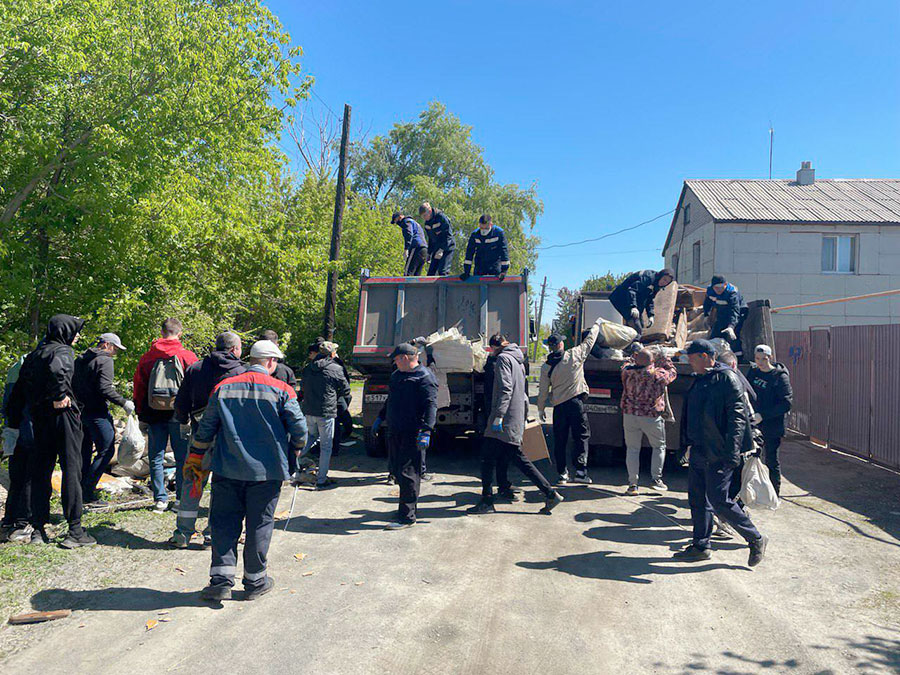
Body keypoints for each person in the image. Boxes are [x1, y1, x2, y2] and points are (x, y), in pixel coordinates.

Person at [188, 339, 307, 602]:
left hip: (227, 468)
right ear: (271, 362)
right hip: (267, 472)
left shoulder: (223, 387)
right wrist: (297, 448)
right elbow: (299, 429)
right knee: (259, 524)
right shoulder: (282, 389)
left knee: (224, 523)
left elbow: (206, 427)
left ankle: (220, 581)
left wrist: (195, 456)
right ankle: (255, 581)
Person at [674, 339, 768, 567]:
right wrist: (685, 445)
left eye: (692, 358)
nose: (689, 362)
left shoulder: (727, 378)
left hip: (719, 452)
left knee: (719, 500)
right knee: (697, 499)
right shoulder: (701, 379)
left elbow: (737, 418)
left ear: (705, 356)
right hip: (699, 449)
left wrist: (733, 451)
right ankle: (701, 545)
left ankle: (755, 538)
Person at [7, 315, 94, 548]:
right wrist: (59, 396)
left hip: (40, 418)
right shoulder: (63, 351)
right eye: (75, 331)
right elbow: (59, 371)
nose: (77, 336)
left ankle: (38, 528)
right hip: (64, 418)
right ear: (65, 331)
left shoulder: (34, 355)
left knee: (41, 472)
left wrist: (13, 420)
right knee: (72, 469)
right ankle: (75, 530)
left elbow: (19, 391)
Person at [469, 334, 563, 515]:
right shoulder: (518, 360)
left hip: (504, 418)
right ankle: (549, 494)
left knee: (488, 458)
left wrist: (498, 416)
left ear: (494, 348)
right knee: (515, 458)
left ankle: (487, 501)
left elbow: (505, 389)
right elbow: (524, 392)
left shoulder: (503, 359)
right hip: (515, 416)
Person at [169, 331, 245, 549]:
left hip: (200, 434)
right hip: (228, 438)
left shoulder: (195, 368)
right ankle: (212, 534)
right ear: (234, 350)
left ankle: (182, 534)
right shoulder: (240, 372)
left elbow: (181, 402)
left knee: (193, 481)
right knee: (222, 486)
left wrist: (184, 421)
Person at [133, 318, 198, 512]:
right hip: (179, 414)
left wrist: (141, 413)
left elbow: (139, 388)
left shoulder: (148, 357)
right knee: (181, 457)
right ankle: (179, 499)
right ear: (179, 333)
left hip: (154, 414)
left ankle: (160, 499)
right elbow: (194, 386)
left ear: (161, 333)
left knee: (156, 456)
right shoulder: (188, 356)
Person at [372, 343, 438, 530]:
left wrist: (426, 430)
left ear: (406, 358)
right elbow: (390, 399)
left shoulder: (424, 377)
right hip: (395, 429)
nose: (394, 362)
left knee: (409, 473)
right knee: (396, 469)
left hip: (413, 432)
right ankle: (406, 508)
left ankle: (407, 517)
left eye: (396, 358)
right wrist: (380, 417)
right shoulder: (397, 375)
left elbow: (431, 405)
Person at [537, 318, 604, 484]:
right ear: (561, 345)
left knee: (560, 439)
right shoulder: (575, 355)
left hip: (559, 406)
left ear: (550, 347)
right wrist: (597, 325)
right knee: (581, 436)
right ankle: (580, 472)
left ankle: (562, 473)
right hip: (576, 404)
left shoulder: (546, 367)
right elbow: (589, 341)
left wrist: (540, 409)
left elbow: (543, 391)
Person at [73, 333, 134, 505]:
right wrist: (124, 402)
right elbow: (105, 388)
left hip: (79, 411)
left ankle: (79, 492)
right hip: (97, 412)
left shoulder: (80, 359)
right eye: (114, 348)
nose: (115, 352)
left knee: (84, 452)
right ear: (106, 344)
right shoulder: (105, 360)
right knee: (107, 450)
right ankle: (88, 490)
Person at [620, 348, 677, 495]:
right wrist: (665, 358)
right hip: (651, 417)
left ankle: (633, 485)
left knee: (632, 449)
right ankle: (656, 479)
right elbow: (673, 373)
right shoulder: (659, 375)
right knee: (658, 446)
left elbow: (626, 363)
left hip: (630, 415)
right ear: (652, 361)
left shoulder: (627, 372)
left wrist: (636, 356)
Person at [298, 340, 351, 490]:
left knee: (311, 437)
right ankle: (321, 479)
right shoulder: (336, 368)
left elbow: (302, 387)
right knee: (326, 446)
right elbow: (346, 390)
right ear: (332, 353)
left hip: (309, 410)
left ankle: (291, 464)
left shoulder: (308, 368)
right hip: (326, 411)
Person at [748, 344, 793, 496]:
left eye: (764, 359)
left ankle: (774, 493)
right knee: (752, 458)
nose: (760, 362)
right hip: (754, 423)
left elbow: (786, 403)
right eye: (757, 359)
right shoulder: (753, 373)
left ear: (771, 358)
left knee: (772, 460)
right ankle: (753, 491)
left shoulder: (779, 377)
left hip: (772, 425)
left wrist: (763, 415)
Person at [1, 354, 34, 543]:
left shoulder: (15, 369)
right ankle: (22, 524)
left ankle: (9, 521)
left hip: (13, 432)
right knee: (27, 477)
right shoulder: (29, 373)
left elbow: (8, 405)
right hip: (26, 432)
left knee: (16, 478)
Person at [609, 269, 675, 335]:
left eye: (667, 282)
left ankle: (628, 343)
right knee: (636, 326)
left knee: (641, 325)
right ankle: (634, 343)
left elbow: (649, 300)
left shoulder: (656, 285)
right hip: (622, 297)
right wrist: (633, 306)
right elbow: (632, 290)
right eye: (664, 279)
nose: (664, 282)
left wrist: (650, 315)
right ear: (660, 276)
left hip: (635, 300)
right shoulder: (648, 278)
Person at [703, 275, 749, 357]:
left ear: (725, 284)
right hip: (722, 312)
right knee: (716, 333)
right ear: (712, 287)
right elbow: (707, 303)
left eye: (721, 287)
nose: (719, 290)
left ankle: (738, 357)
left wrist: (731, 326)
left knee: (734, 336)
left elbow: (734, 310)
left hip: (738, 312)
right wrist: (706, 315)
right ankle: (716, 356)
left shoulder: (732, 293)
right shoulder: (710, 291)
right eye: (716, 287)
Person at [460, 214, 510, 280]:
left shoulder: (499, 233)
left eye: (486, 228)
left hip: (494, 264)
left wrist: (504, 271)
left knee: (495, 283)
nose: (483, 231)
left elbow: (504, 251)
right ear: (479, 225)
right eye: (481, 228)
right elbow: (469, 253)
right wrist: (466, 271)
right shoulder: (475, 235)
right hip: (480, 264)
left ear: (491, 225)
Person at [418, 202, 456, 276]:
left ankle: (445, 287)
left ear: (430, 211)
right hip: (437, 247)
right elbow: (431, 240)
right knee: (431, 273)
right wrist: (429, 253)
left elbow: (449, 236)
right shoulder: (427, 224)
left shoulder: (441, 217)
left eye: (425, 215)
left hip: (447, 246)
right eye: (423, 217)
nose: (424, 218)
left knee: (443, 271)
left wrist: (442, 250)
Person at [392, 211, 428, 276]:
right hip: (424, 250)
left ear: (399, 217)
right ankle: (414, 286)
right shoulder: (414, 223)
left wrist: (406, 249)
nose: (396, 223)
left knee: (407, 273)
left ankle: (404, 286)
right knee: (416, 275)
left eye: (395, 221)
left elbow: (409, 234)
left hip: (416, 248)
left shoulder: (406, 222)